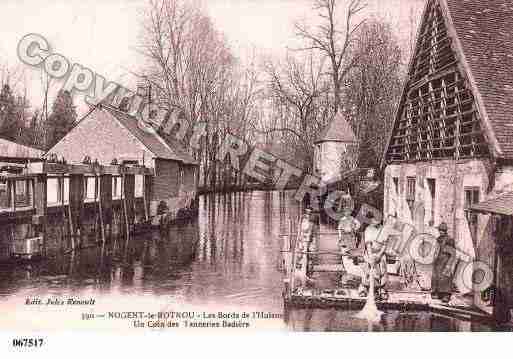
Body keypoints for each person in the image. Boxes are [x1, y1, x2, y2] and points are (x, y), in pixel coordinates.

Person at [358, 214, 389, 300]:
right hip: (370, 252)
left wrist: (379, 255)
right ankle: (364, 288)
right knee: (368, 269)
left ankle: (382, 289)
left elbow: (385, 244)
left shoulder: (384, 229)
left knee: (382, 268)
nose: (375, 221)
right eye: (374, 219)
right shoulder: (368, 229)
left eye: (378, 219)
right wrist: (371, 256)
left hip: (380, 253)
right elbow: (368, 244)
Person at [431, 222, 456, 303]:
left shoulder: (449, 240)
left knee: (446, 278)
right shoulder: (438, 239)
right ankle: (438, 293)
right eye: (440, 230)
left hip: (446, 260)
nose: (441, 232)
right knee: (437, 277)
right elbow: (436, 249)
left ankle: (446, 295)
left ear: (445, 231)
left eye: (442, 230)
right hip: (438, 261)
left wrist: (449, 264)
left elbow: (452, 252)